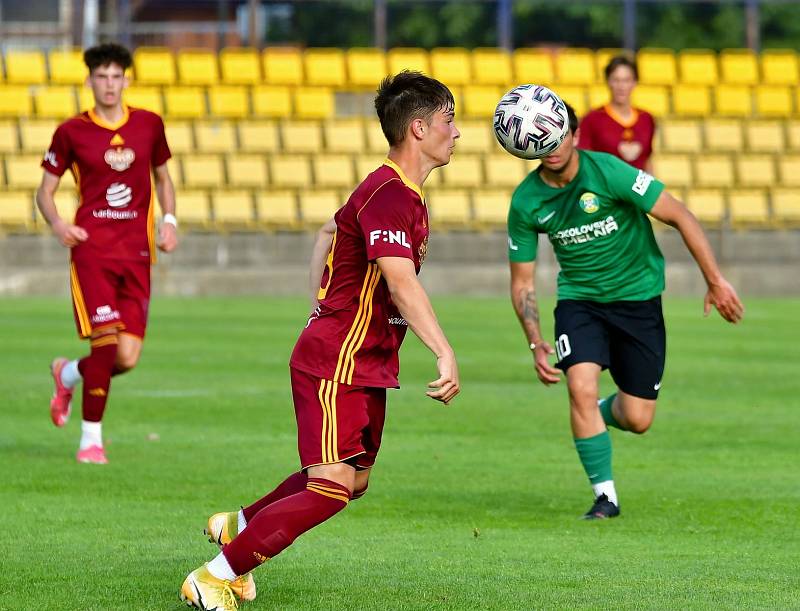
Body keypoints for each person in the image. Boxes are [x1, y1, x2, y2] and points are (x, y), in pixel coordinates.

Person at [179, 70, 461, 610]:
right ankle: (215, 576)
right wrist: (443, 349)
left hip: (365, 359)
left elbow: (328, 233)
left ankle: (237, 525)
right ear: (419, 129)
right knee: (331, 485)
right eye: (450, 121)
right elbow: (399, 280)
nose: (458, 133)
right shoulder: (387, 193)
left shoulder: (400, 194)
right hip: (338, 358)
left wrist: (322, 304)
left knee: (353, 480)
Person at [507, 103, 743, 520]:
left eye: (560, 135)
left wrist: (714, 281)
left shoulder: (609, 172)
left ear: (574, 135)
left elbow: (679, 215)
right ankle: (605, 497)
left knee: (637, 418)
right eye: (543, 141)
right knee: (579, 385)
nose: (553, 146)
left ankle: (591, 417)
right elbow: (523, 282)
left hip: (639, 300)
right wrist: (534, 338)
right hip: (580, 302)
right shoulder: (526, 201)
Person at [36, 43, 178, 465]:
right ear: (90, 81)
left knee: (126, 357)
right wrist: (60, 225)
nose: (110, 84)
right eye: (102, 76)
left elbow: (164, 178)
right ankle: (90, 440)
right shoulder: (71, 131)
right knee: (105, 342)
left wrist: (169, 220)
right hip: (92, 251)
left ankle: (67, 374)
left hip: (136, 252)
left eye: (117, 76)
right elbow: (45, 192)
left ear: (127, 80)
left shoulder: (149, 125)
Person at [578, 55, 655, 172]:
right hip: (605, 188)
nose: (621, 86)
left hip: (639, 189)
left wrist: (655, 188)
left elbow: (648, 160)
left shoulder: (646, 119)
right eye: (616, 80)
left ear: (634, 83)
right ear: (608, 81)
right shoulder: (592, 119)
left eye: (626, 80)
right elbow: (582, 161)